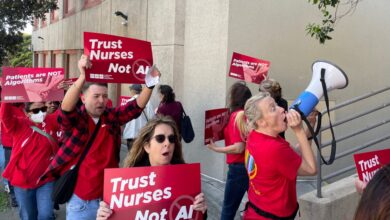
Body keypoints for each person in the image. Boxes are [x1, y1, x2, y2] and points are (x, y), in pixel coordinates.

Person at [39, 55, 160, 220]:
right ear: (83, 98)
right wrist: (82, 76)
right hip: (82, 201)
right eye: (96, 96)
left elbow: (135, 107)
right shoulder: (78, 119)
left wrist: (150, 84)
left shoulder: (111, 117)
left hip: (110, 199)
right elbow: (65, 110)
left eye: (104, 96)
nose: (101, 100)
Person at [96, 116, 207, 220]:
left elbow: (194, 215)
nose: (167, 143)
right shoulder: (127, 183)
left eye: (171, 139)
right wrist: (105, 216)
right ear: (147, 146)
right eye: (160, 138)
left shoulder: (186, 177)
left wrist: (202, 211)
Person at [243, 92, 318, 219]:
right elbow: (311, 169)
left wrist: (310, 124)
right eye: (273, 108)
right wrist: (298, 130)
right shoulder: (274, 149)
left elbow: (296, 154)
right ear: (261, 121)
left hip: (257, 211)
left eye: (277, 105)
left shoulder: (256, 136)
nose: (282, 109)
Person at [1, 101, 59, 220]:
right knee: (28, 216)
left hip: (46, 180)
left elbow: (66, 113)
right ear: (27, 113)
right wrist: (7, 96)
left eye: (43, 109)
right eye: (36, 111)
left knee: (46, 215)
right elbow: (5, 116)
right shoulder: (19, 124)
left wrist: (69, 91)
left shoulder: (51, 121)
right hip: (23, 182)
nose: (41, 113)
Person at [207, 81, 252, 220]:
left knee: (228, 210)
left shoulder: (236, 116)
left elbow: (239, 147)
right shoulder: (243, 115)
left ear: (234, 98)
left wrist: (217, 149)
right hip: (247, 166)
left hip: (238, 168)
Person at [122, 84, 154, 150]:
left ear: (133, 91)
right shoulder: (147, 102)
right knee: (142, 158)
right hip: (143, 136)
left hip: (131, 136)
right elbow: (152, 118)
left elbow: (123, 119)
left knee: (131, 158)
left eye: (130, 90)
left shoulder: (128, 102)